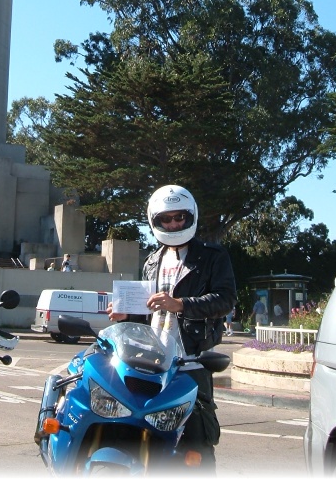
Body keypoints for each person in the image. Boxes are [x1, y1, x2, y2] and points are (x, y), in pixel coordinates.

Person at [107, 184, 237, 473]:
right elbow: (147, 315)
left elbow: (226, 299)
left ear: (191, 216)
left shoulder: (213, 255)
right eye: (166, 219)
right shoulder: (152, 261)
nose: (174, 223)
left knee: (197, 441)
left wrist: (181, 304)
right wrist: (126, 315)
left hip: (191, 360)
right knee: (146, 433)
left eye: (180, 217)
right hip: (152, 363)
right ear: (155, 220)